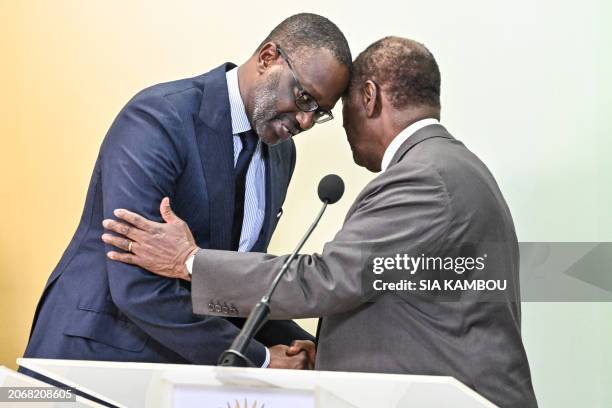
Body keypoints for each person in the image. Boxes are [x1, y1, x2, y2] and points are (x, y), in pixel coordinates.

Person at [101, 37, 538, 406]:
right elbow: (397, 292)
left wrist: (190, 261)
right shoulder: (451, 168)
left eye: (333, 108)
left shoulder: (424, 176)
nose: (312, 122)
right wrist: (323, 351)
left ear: (369, 97)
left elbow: (331, 277)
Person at [22, 13, 351, 371]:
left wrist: (304, 348)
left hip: (174, 373)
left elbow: (230, 285)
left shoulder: (281, 153)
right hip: (93, 357)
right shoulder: (159, 118)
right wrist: (258, 359)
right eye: (304, 97)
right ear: (268, 57)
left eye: (320, 113)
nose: (305, 121)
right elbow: (137, 284)